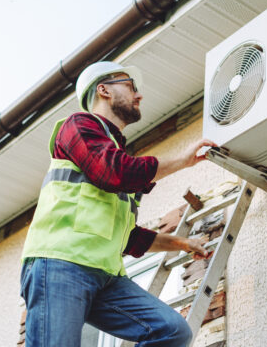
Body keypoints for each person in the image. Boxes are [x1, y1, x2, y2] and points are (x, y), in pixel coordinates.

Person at [20, 61, 216, 347]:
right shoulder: (79, 125)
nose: (139, 95)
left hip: (105, 277)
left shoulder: (112, 150)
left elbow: (127, 237)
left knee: (172, 331)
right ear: (104, 90)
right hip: (61, 265)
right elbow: (113, 171)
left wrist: (180, 244)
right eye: (130, 86)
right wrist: (181, 162)